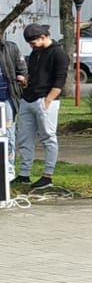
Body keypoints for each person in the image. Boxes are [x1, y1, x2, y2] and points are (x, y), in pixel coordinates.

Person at [12, 24, 68, 190]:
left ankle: (47, 175)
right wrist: (26, 81)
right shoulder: (36, 53)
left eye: (34, 42)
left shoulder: (59, 54)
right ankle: (24, 173)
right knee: (24, 138)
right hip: (28, 98)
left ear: (43, 37)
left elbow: (60, 79)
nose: (32, 45)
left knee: (48, 137)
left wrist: (48, 100)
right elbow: (36, 74)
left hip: (44, 99)